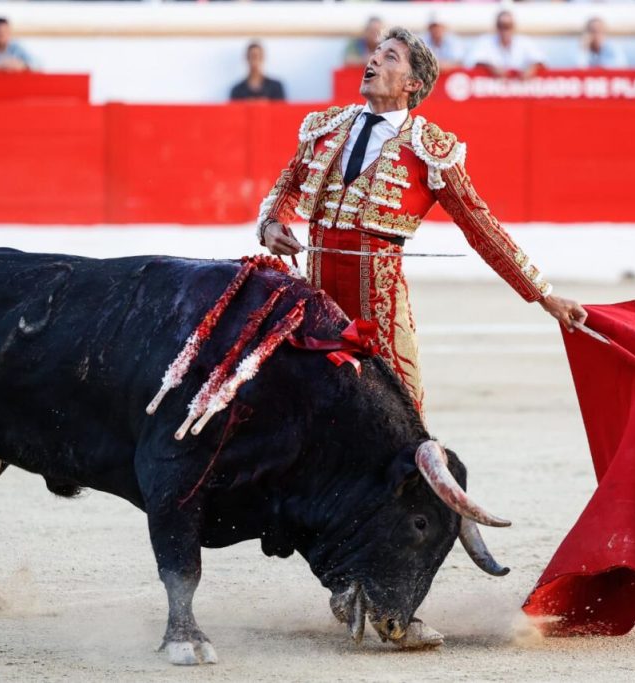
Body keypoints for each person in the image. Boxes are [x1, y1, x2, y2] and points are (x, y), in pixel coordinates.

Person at [255, 35, 587, 645]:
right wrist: (272, 220)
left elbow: (484, 229)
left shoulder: (432, 149)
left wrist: (544, 295)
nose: (374, 60)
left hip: (381, 317)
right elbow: (286, 186)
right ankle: (342, 578)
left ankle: (391, 597)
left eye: (391, 57)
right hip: (317, 316)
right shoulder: (326, 127)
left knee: (401, 455)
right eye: (374, 52)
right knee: (306, 440)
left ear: (413, 82)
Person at [467, 10, 546, 78]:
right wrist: (490, 68)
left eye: (508, 26)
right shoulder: (485, 41)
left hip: (519, 91)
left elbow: (541, 60)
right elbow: (473, 61)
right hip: (491, 91)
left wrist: (532, 68)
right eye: (501, 26)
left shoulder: (525, 42)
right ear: (496, 27)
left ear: (513, 27)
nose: (505, 30)